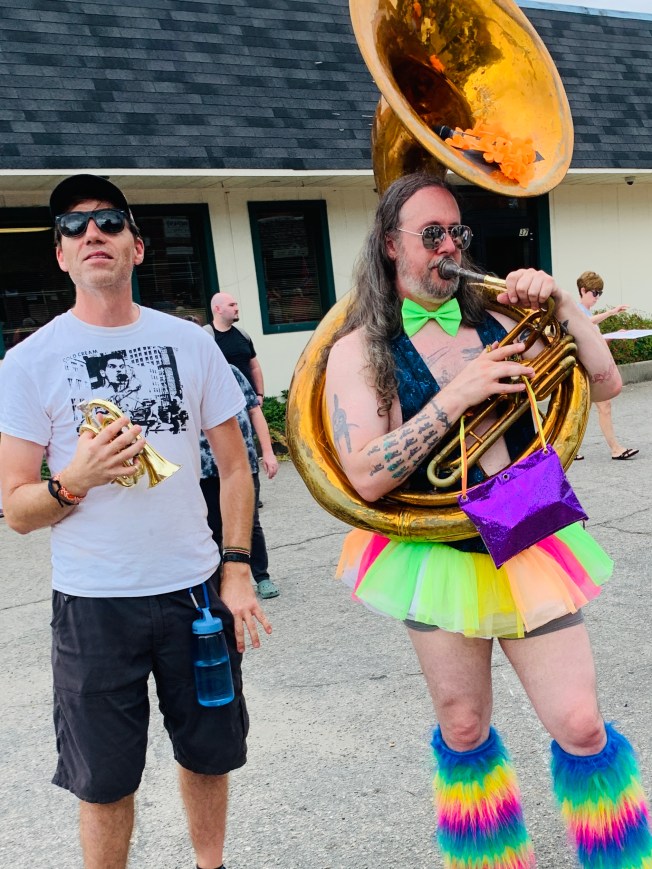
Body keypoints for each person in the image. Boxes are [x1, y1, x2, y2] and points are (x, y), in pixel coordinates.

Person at [321, 173, 652, 868]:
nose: (449, 246)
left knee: (580, 723)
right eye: (430, 234)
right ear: (390, 245)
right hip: (438, 550)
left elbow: (606, 382)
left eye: (457, 232)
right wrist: (457, 394)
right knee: (464, 725)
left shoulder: (501, 320)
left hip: (527, 530)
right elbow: (366, 474)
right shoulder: (359, 348)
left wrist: (564, 304)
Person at [0, 174, 272, 869]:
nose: (92, 233)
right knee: (105, 780)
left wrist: (237, 569)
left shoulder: (191, 343)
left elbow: (235, 468)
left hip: (193, 593)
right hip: (94, 603)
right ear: (60, 255)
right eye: (73, 226)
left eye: (110, 221)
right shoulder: (28, 363)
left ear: (137, 246)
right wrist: (76, 479)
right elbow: (16, 508)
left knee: (209, 754)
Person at [200, 363, 280, 599]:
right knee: (213, 528)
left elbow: (254, 411)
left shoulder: (231, 373)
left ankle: (262, 576)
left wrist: (268, 452)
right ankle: (220, 582)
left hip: (241, 464)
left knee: (250, 524)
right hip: (204, 469)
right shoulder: (187, 376)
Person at [577, 270, 639, 461]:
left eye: (600, 293)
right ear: (583, 290)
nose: (597, 297)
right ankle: (615, 449)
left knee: (585, 410)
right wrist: (611, 312)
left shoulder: (587, 313)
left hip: (589, 369)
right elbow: (585, 324)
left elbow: (595, 342)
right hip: (584, 369)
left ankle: (569, 448)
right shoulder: (578, 311)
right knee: (597, 407)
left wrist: (614, 336)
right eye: (595, 292)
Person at [205, 292, 265, 400]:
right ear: (218, 309)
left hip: (250, 400)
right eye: (231, 305)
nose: (237, 309)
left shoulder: (242, 334)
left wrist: (259, 394)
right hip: (224, 402)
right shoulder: (206, 336)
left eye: (236, 304)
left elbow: (254, 367)